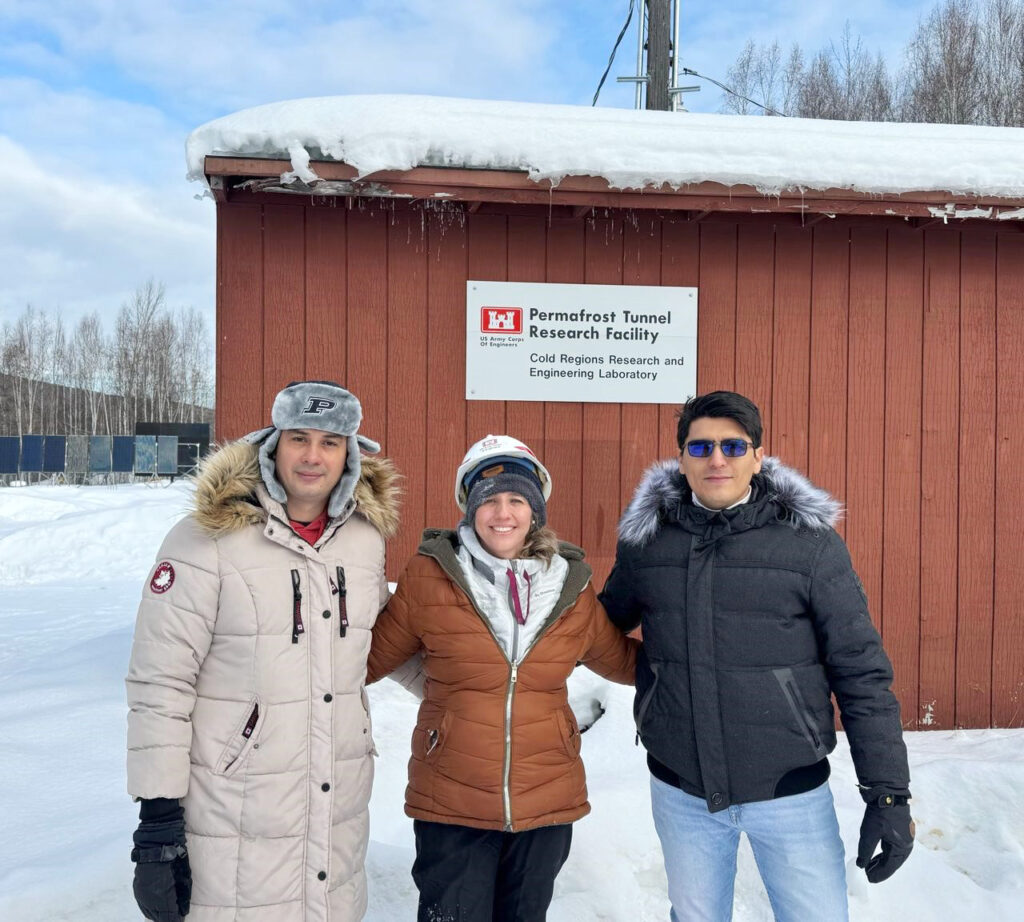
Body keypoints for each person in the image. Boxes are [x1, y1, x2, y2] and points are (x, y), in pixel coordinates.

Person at [600, 391, 913, 922]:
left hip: (789, 790)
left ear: (757, 455)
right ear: (681, 459)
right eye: (700, 447)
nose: (716, 459)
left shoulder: (809, 544)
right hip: (682, 788)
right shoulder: (648, 542)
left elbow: (859, 669)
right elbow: (601, 628)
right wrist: (550, 586)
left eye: (731, 445)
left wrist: (888, 795)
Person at [126, 380, 400, 922]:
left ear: (351, 454)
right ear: (273, 443)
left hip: (337, 802)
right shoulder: (204, 539)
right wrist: (157, 820)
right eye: (300, 438)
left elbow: (386, 642)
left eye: (330, 441)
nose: (313, 456)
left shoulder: (364, 540)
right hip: (233, 804)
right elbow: (161, 681)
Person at [367, 434, 638, 922]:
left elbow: (622, 660)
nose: (503, 513)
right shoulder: (431, 575)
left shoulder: (569, 587)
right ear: (470, 508)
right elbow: (364, 659)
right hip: (451, 800)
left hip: (546, 800)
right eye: (489, 500)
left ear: (535, 511)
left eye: (516, 499)